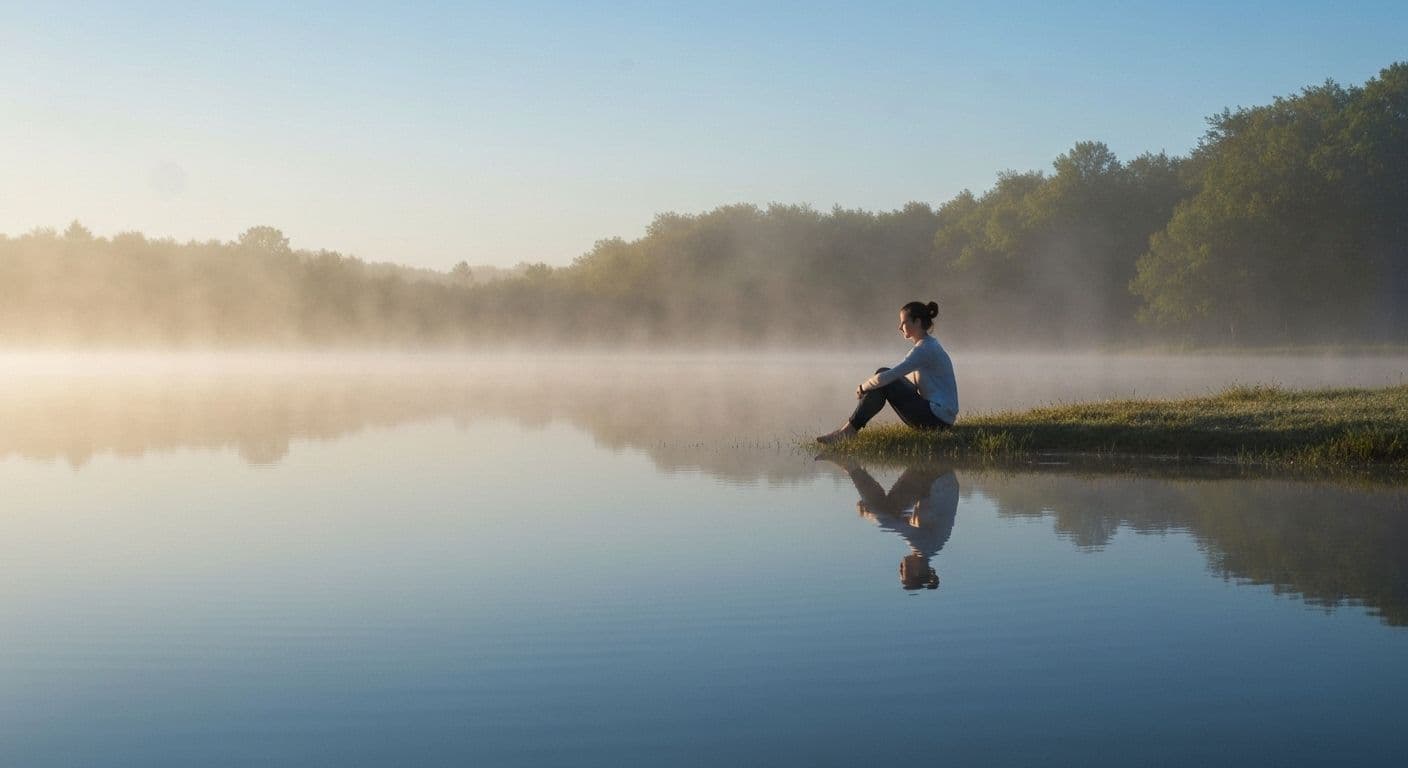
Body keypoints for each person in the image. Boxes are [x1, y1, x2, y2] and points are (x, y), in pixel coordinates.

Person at [816, 300, 958, 444]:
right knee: (882, 377)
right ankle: (848, 431)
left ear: (917, 322)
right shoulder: (929, 345)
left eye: (903, 322)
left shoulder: (923, 350)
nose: (900, 327)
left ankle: (847, 432)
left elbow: (889, 377)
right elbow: (905, 381)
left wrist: (862, 387)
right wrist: (878, 383)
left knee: (883, 376)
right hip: (940, 418)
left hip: (936, 420)